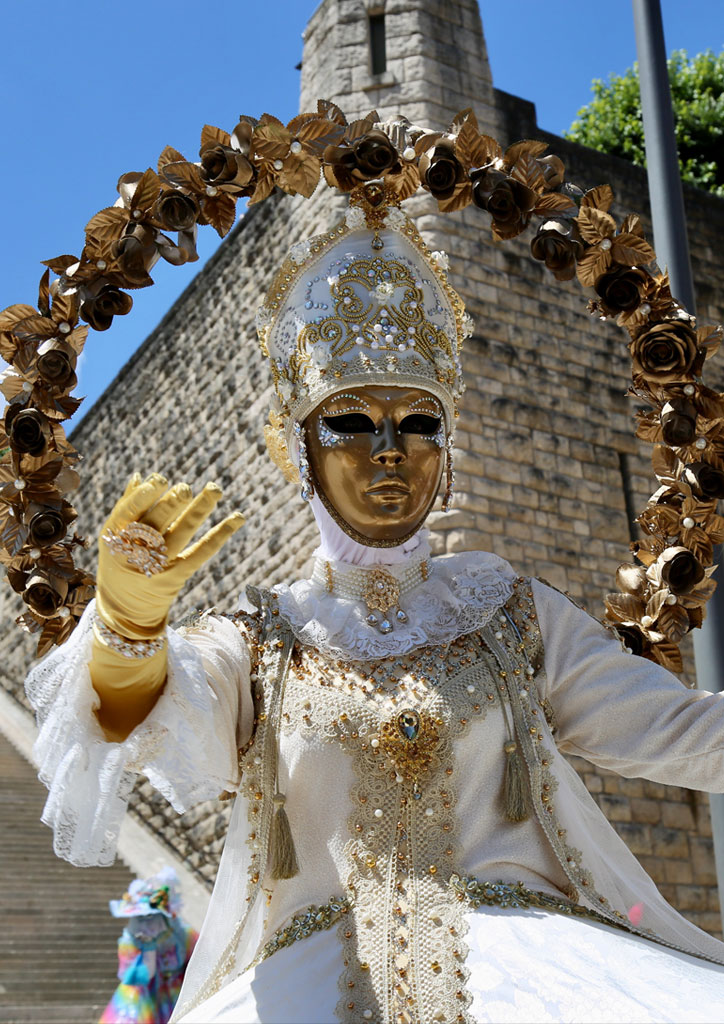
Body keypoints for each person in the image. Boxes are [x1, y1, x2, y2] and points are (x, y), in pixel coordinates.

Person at [25, 190, 724, 1024]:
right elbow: (139, 718)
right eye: (351, 421)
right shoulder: (258, 642)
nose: (390, 449)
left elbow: (678, 733)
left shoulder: (510, 611)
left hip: (534, 978)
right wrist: (130, 631)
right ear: (302, 454)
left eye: (418, 421)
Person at [100, 868, 198, 1024]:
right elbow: (140, 977)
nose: (145, 923)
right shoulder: (129, 943)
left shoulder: (182, 935)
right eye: (139, 917)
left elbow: (199, 962)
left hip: (177, 999)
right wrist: (148, 948)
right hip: (141, 1002)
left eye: (150, 916)